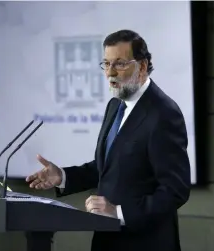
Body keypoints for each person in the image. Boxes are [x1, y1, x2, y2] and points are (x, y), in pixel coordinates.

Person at [26, 29, 191, 251]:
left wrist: (119, 212)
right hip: (108, 241)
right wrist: (63, 176)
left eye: (120, 64)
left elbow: (175, 190)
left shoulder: (163, 113)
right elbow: (107, 168)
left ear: (142, 66)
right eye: (106, 64)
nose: (110, 73)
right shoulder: (115, 105)